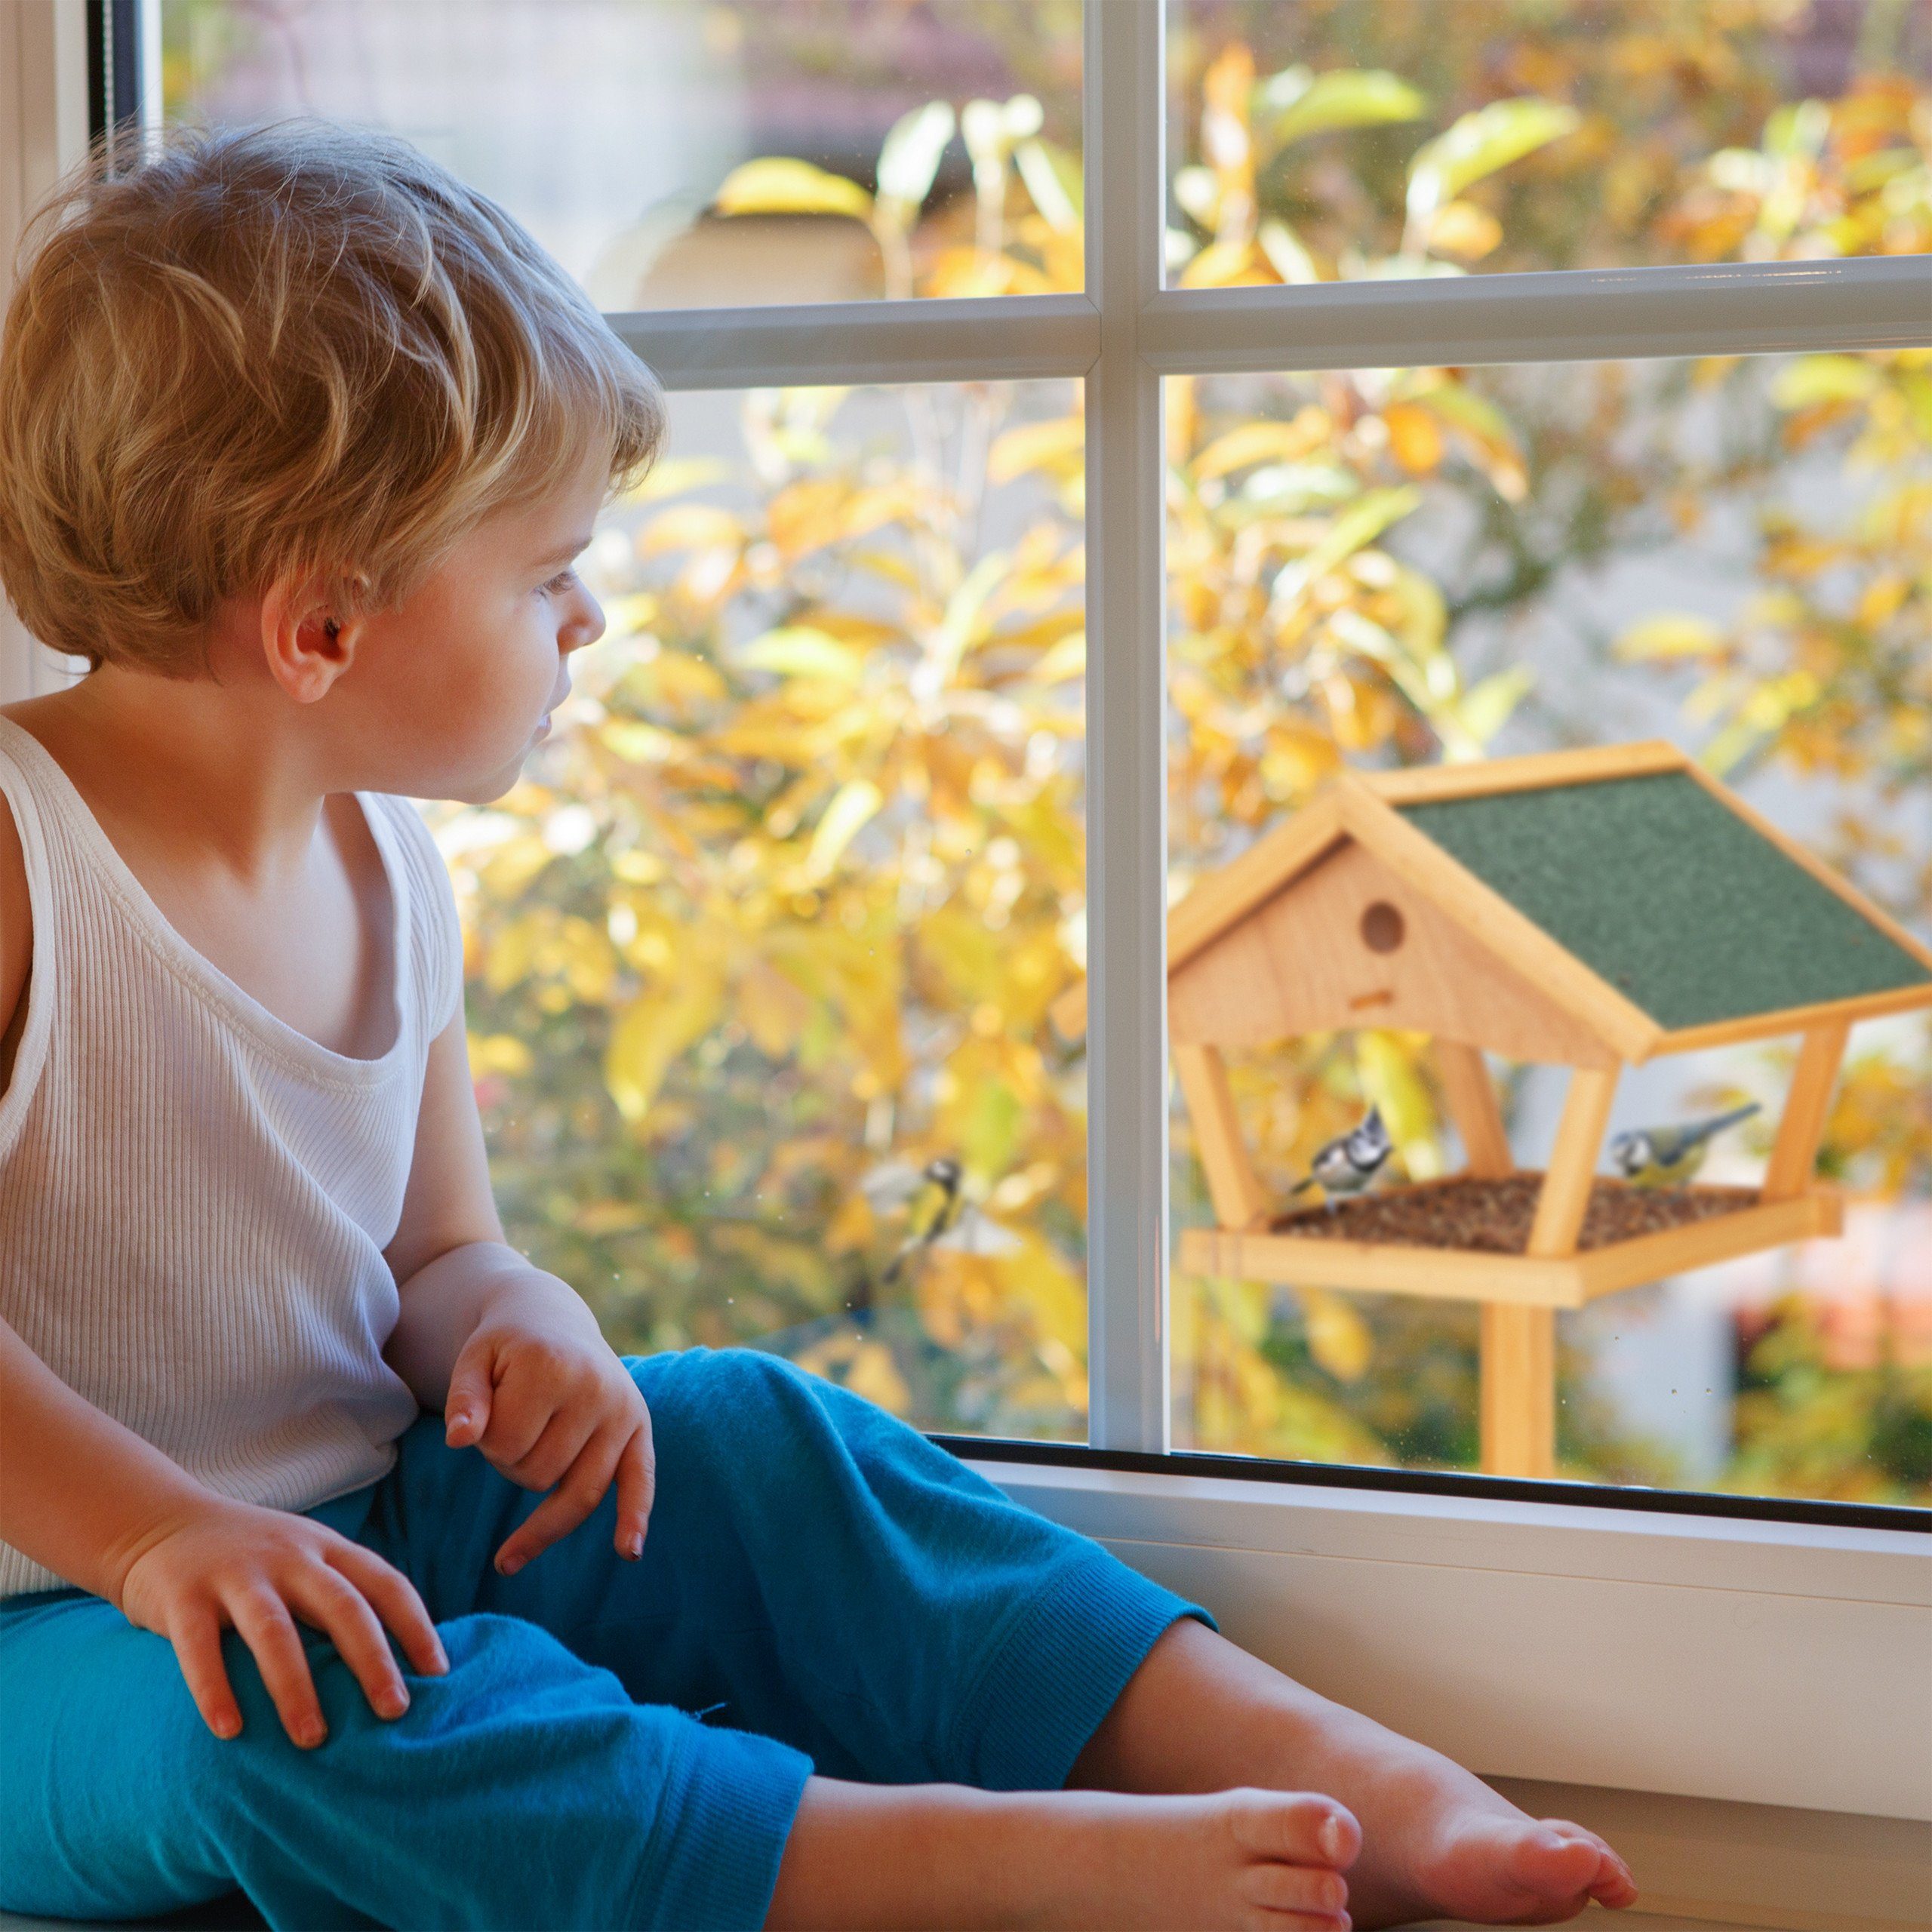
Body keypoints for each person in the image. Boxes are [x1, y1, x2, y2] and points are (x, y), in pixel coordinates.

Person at [0, 124, 1637, 1932]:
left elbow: (432, 1249)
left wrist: (516, 1317)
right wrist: (159, 1539)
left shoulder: (383, 859)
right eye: (547, 571)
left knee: (751, 1441)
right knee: (295, 1723)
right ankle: (950, 1863)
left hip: (365, 1537)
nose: (590, 615)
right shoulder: (21, 862)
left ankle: (1333, 1764)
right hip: (60, 1656)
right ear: (320, 622)